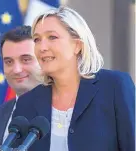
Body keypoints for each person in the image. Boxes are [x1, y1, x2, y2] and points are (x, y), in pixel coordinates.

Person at [10, 6, 134, 151]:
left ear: (77, 45)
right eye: (37, 40)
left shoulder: (114, 87)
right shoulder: (27, 103)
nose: (42, 47)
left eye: (52, 37)